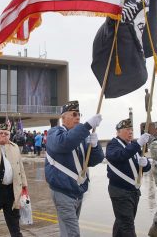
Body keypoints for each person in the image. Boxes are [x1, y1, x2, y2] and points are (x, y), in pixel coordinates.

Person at [45, 100, 104, 237]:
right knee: (73, 233)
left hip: (77, 191)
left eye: (79, 114)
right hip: (63, 191)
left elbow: (95, 160)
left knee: (67, 231)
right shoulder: (54, 133)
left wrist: (95, 146)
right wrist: (87, 126)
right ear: (63, 117)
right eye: (74, 114)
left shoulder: (82, 137)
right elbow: (63, 144)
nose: (78, 117)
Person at [106, 119, 151, 237]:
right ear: (118, 132)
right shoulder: (113, 144)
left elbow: (145, 168)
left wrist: (145, 163)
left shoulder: (133, 145)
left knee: (122, 222)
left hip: (133, 192)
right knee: (127, 225)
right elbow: (120, 156)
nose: (130, 132)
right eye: (127, 130)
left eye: (131, 129)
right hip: (120, 192)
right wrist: (138, 144)